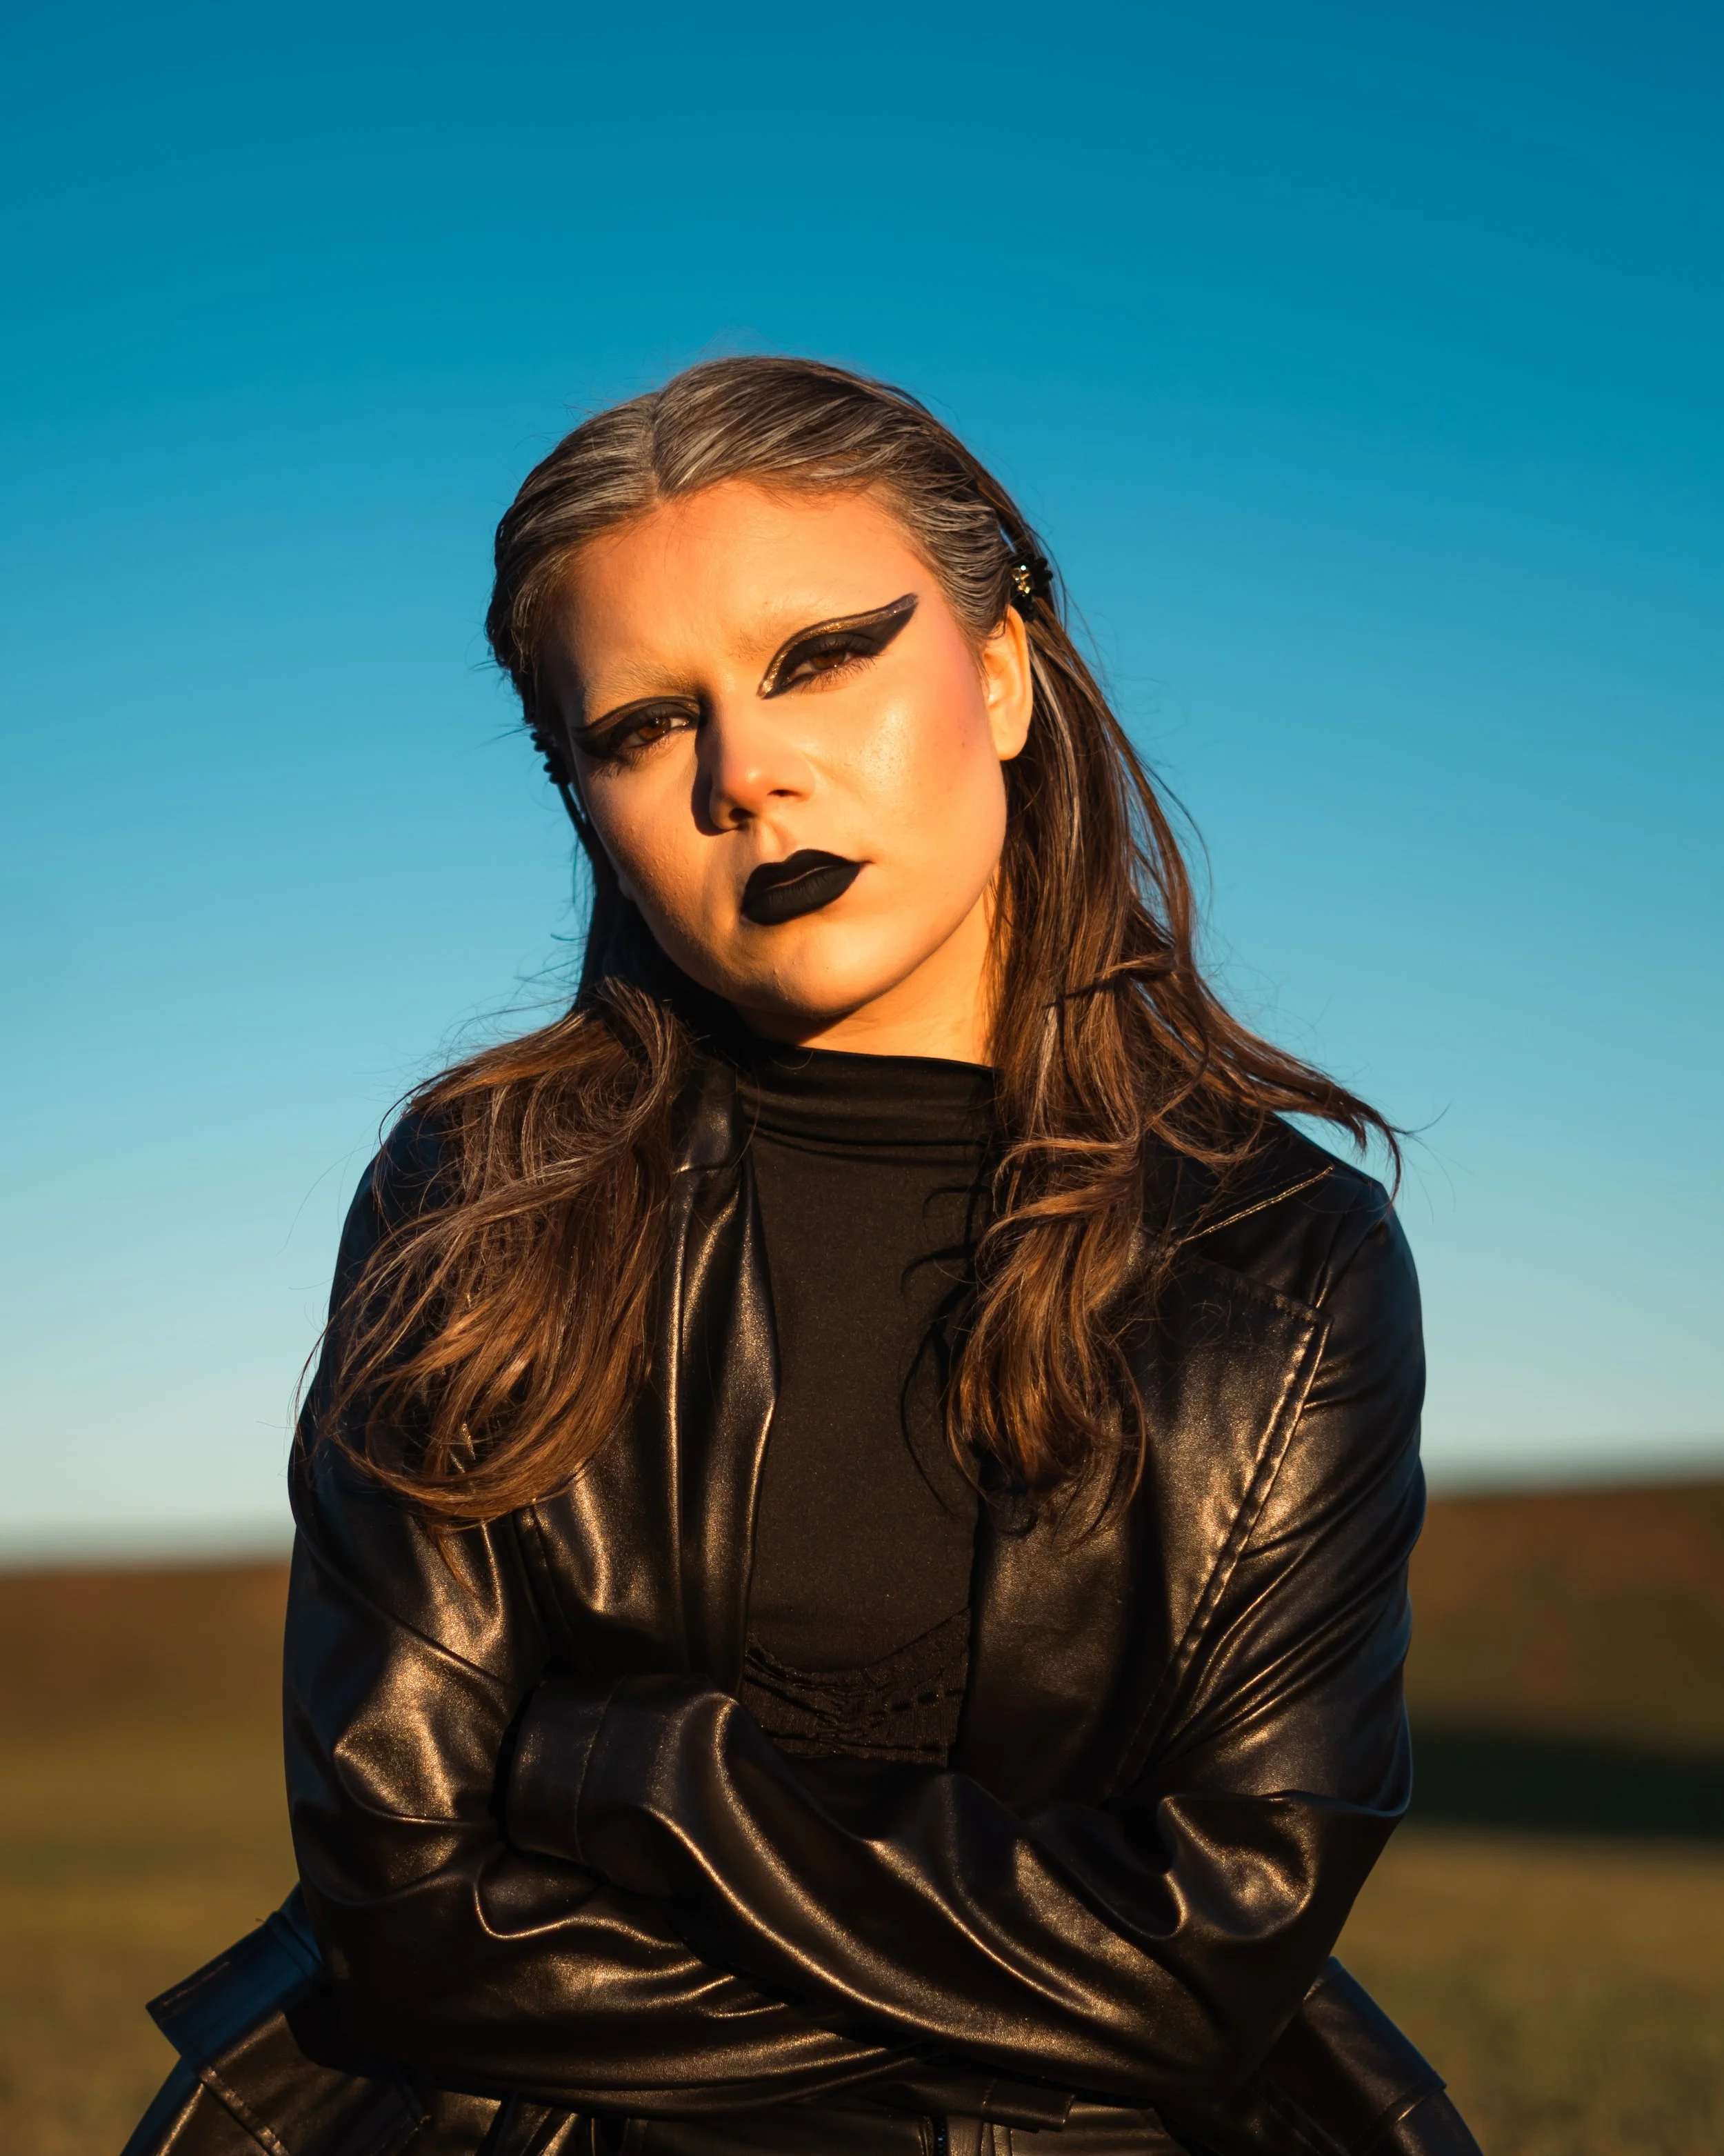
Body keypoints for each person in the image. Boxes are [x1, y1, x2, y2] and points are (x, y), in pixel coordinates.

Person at [123, 357, 1483, 2156]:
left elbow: (1210, 1946)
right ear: (585, 797)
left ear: (1001, 673)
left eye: (818, 657)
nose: (745, 774)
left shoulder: (1280, 1261)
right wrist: (1048, 1984)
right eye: (637, 727)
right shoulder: (483, 1194)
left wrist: (627, 1771)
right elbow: (404, 1907)